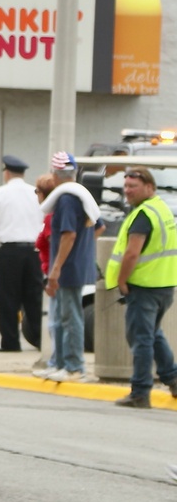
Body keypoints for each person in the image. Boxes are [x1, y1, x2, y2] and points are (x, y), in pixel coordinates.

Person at [103, 165, 177, 408]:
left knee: (141, 339)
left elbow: (132, 254)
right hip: (164, 285)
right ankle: (173, 379)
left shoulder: (143, 215)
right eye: (125, 186)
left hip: (144, 286)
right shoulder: (161, 209)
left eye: (133, 186)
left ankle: (140, 392)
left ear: (149, 187)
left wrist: (122, 281)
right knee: (153, 335)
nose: (128, 191)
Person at [0, 154, 44, 352]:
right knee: (34, 298)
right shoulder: (35, 192)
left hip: (10, 252)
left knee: (7, 298)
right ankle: (41, 341)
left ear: (6, 173)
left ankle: (10, 343)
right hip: (34, 251)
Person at [44, 152, 99, 383]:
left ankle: (74, 366)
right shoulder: (82, 197)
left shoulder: (67, 199)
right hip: (75, 265)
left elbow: (68, 235)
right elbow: (99, 226)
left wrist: (55, 269)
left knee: (70, 317)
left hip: (67, 268)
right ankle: (63, 363)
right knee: (65, 316)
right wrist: (83, 251)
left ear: (56, 175)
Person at [32, 174, 60, 378]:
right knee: (57, 320)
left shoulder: (51, 217)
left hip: (53, 273)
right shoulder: (51, 216)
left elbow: (53, 244)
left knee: (56, 321)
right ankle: (57, 361)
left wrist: (53, 273)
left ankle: (57, 361)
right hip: (51, 270)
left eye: (37, 192)